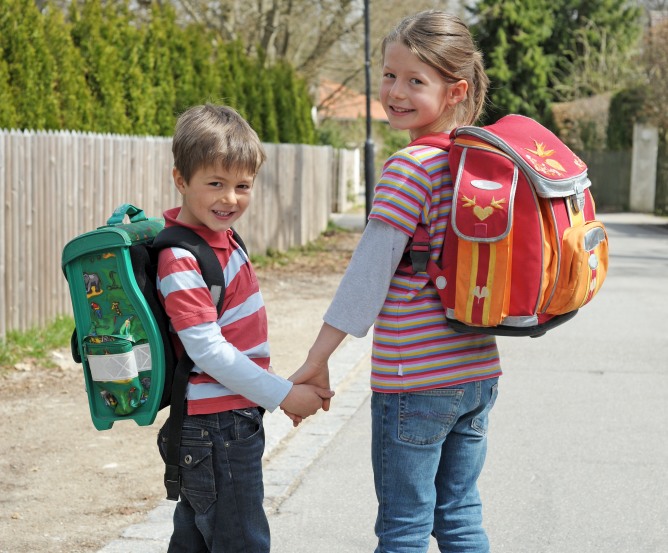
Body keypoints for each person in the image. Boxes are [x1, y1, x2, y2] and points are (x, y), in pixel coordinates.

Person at [288, 11, 502, 553]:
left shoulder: (411, 168)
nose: (395, 92)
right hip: (477, 370)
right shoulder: (480, 166)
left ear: (455, 91)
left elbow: (367, 278)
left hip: (415, 379)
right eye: (388, 75)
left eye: (415, 80)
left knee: (404, 527)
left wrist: (317, 361)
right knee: (460, 515)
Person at [156, 103, 334, 553]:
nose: (229, 199)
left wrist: (271, 393)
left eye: (242, 186)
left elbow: (238, 343)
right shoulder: (181, 258)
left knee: (198, 542)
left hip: (228, 421)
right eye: (214, 184)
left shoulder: (224, 240)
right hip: (217, 429)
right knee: (241, 543)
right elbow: (209, 352)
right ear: (181, 180)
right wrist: (281, 394)